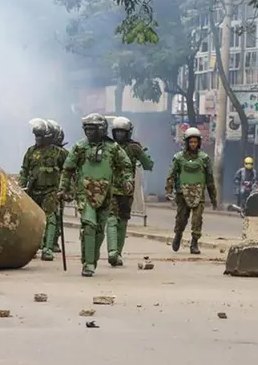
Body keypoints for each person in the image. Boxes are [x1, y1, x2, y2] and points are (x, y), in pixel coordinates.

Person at [58, 113, 133, 277]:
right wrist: (63, 188)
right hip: (84, 192)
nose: (89, 132)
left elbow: (126, 165)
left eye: (92, 129)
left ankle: (92, 258)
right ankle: (88, 264)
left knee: (99, 230)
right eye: (87, 129)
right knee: (89, 225)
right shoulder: (80, 147)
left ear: (102, 129)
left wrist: (128, 180)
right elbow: (68, 169)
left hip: (106, 194)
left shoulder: (112, 148)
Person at [18, 118, 68, 261]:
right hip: (33, 190)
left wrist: (66, 189)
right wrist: (22, 187)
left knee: (50, 217)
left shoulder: (59, 153)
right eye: (36, 136)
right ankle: (33, 248)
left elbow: (69, 170)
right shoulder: (31, 152)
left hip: (51, 191)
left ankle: (48, 248)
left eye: (40, 136)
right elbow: (24, 171)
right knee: (33, 220)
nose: (37, 139)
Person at [107, 116, 154, 266]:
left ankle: (116, 253)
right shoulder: (111, 146)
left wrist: (143, 155)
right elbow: (148, 165)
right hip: (115, 189)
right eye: (117, 132)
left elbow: (148, 164)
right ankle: (114, 252)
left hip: (122, 189)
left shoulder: (130, 147)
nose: (119, 134)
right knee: (115, 219)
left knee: (119, 220)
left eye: (122, 132)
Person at [164, 127, 216, 255]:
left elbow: (210, 179)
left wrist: (213, 198)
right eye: (191, 142)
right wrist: (169, 190)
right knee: (181, 219)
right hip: (182, 193)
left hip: (199, 193)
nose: (193, 144)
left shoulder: (204, 158)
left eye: (195, 142)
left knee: (197, 219)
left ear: (199, 143)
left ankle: (194, 243)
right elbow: (171, 175)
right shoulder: (178, 158)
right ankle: (178, 235)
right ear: (186, 143)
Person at [46, 119, 67, 253]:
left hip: (56, 188)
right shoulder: (37, 151)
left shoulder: (61, 153)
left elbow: (69, 171)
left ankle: (52, 242)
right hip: (40, 188)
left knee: (56, 217)